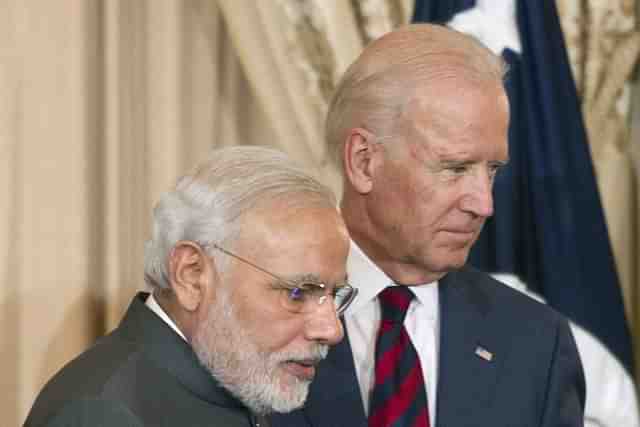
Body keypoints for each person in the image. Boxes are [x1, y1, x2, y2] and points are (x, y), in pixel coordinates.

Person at [271, 23, 585, 427]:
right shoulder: (258, 317)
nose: (484, 204)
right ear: (364, 161)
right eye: (454, 168)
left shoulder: (537, 343)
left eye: (492, 170)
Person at [24, 146, 356, 427]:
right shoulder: (100, 414)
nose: (332, 330)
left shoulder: (239, 377)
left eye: (334, 294)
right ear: (192, 275)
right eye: (297, 292)